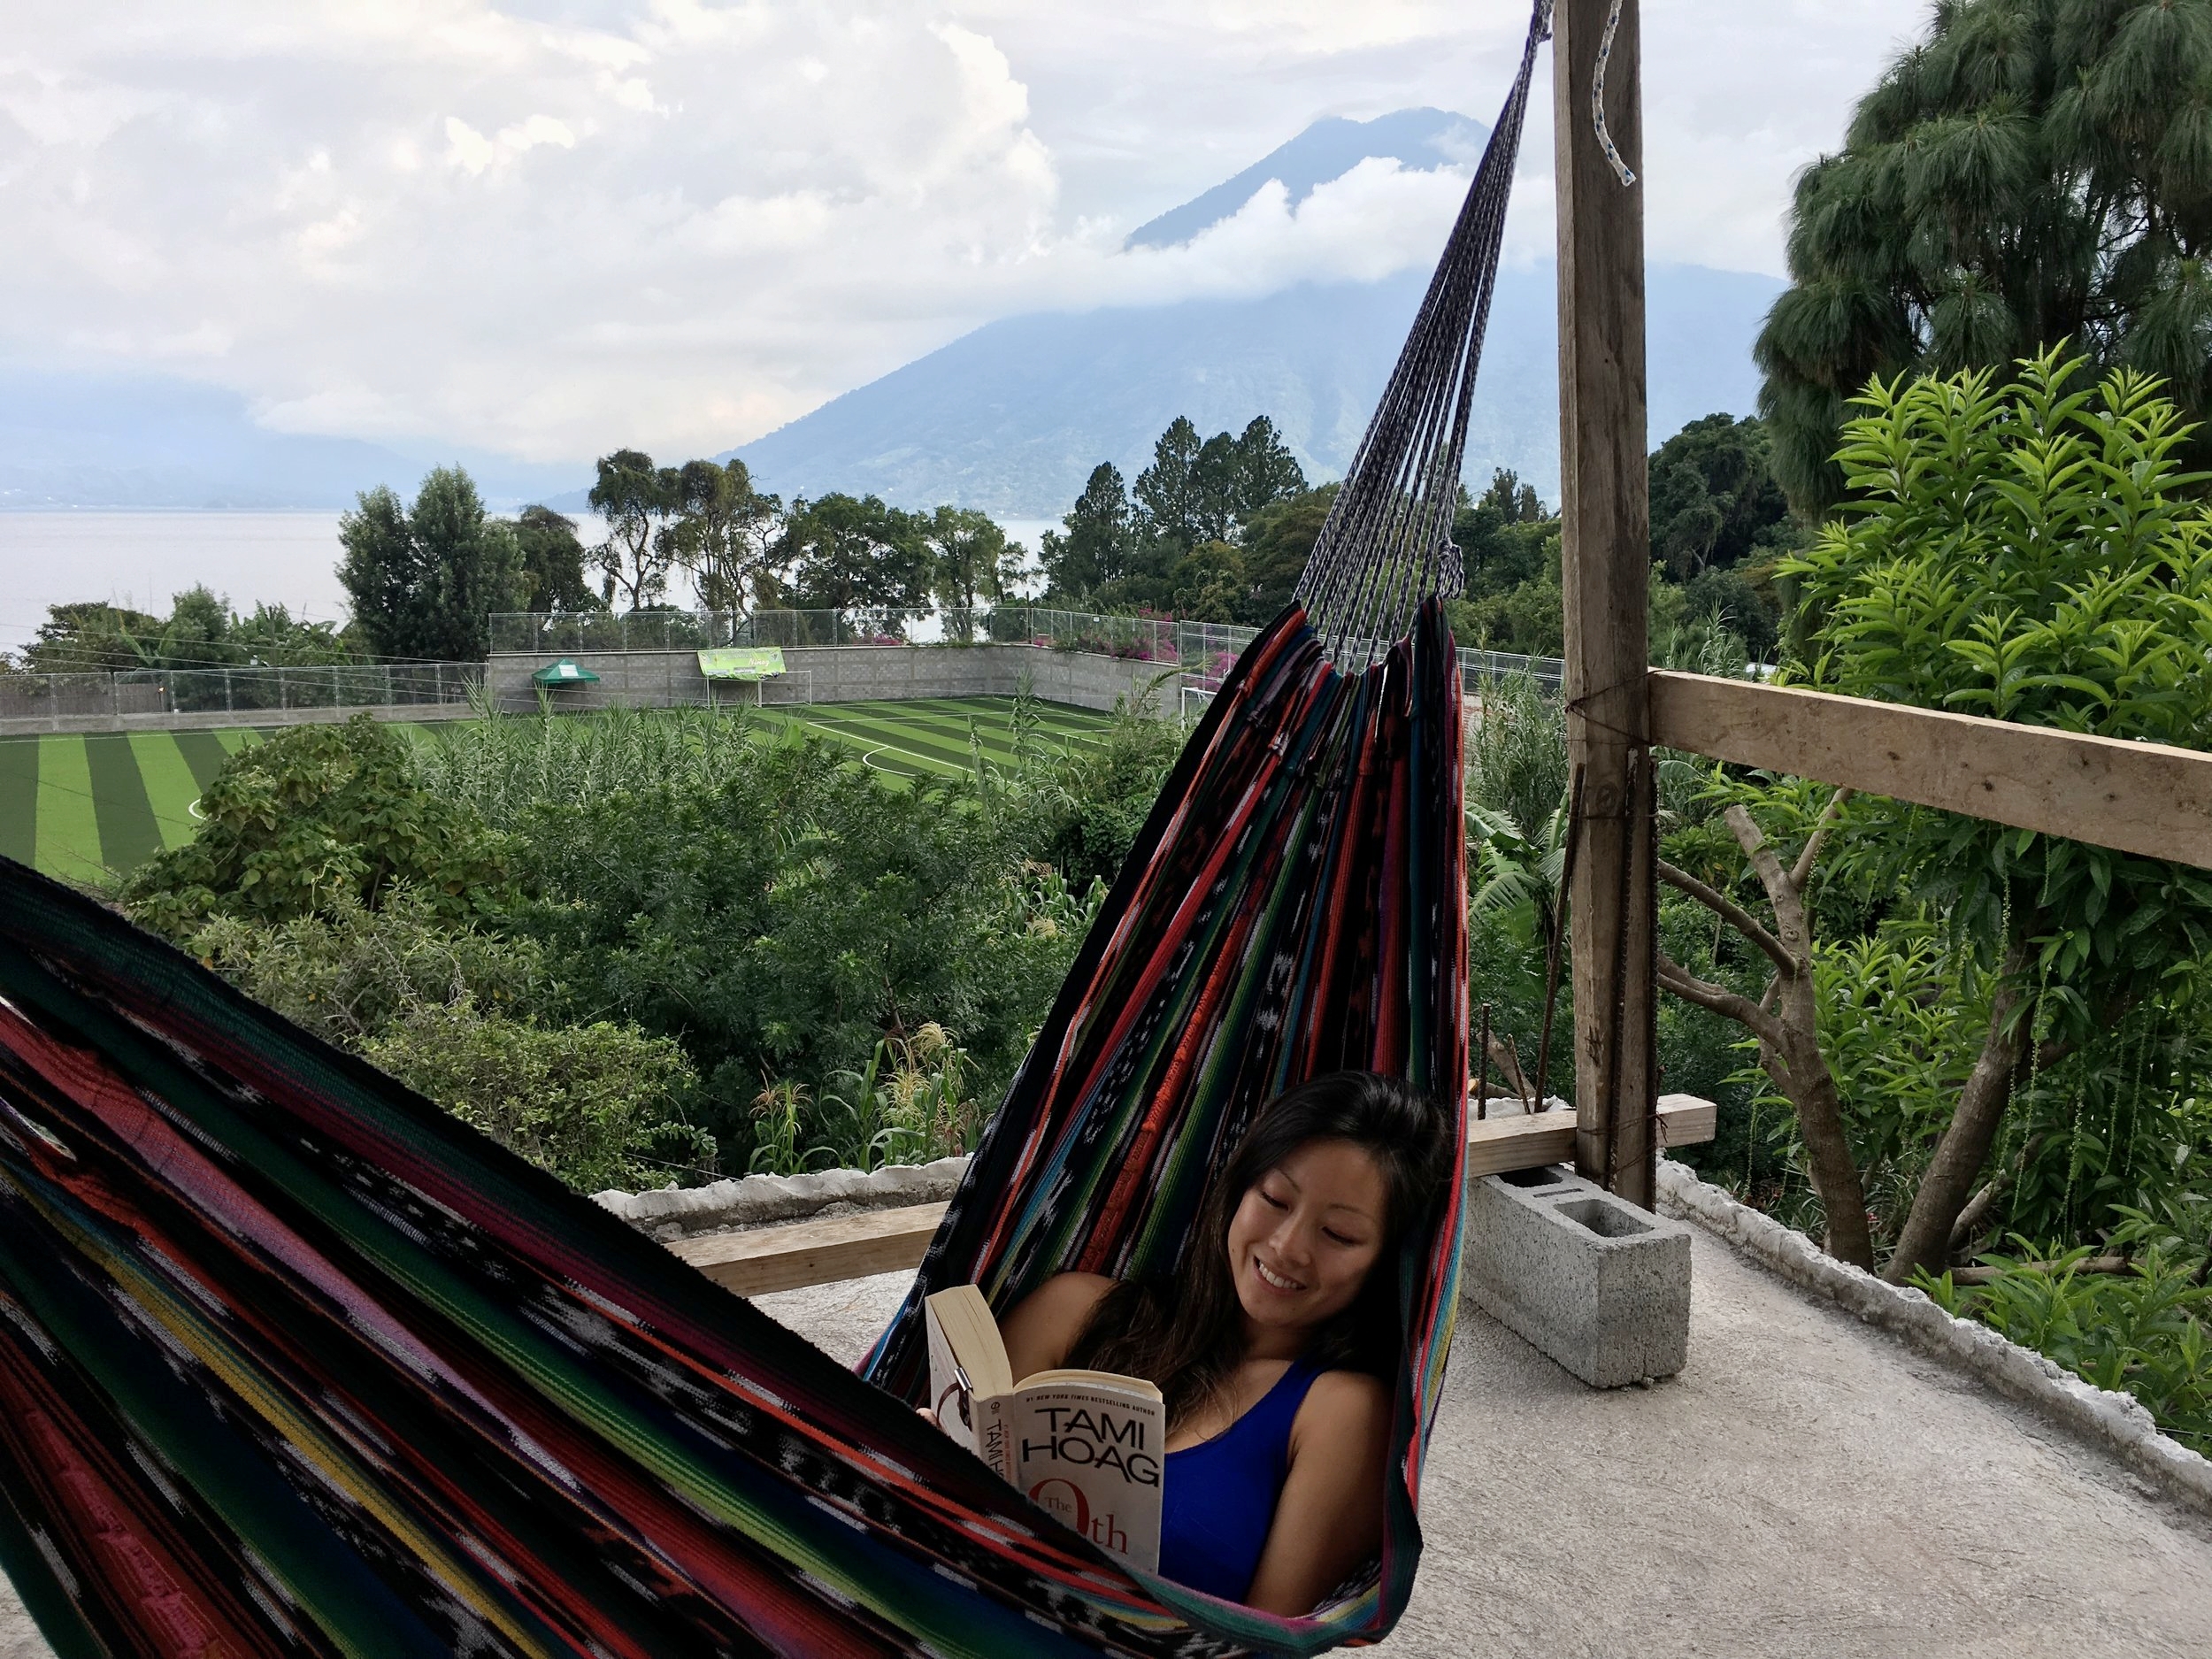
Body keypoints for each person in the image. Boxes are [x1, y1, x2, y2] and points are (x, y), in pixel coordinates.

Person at [996, 1070, 1452, 1615]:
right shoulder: (1072, 1314)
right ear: (1239, 1190)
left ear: (1383, 1266)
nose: (1287, 1247)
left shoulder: (1340, 1414)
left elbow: (1264, 1642)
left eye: (1339, 1235)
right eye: (1276, 1199)